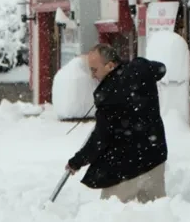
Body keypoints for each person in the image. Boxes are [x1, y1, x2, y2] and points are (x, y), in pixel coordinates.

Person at [65, 43, 168, 203]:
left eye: (94, 70)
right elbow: (161, 69)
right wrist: (135, 68)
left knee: (111, 214)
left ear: (110, 66)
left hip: (126, 168)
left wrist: (76, 162)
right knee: (156, 213)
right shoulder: (140, 68)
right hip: (154, 157)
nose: (92, 75)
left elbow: (100, 139)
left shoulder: (108, 95)